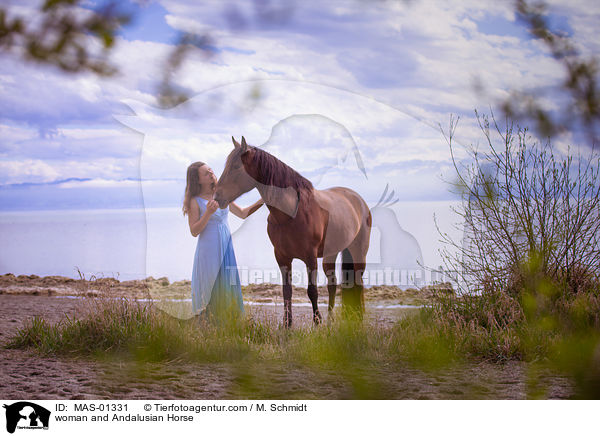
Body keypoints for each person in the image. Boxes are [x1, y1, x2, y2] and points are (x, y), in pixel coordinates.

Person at [182, 161, 263, 322]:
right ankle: (209, 325)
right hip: (208, 251)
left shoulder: (222, 194)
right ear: (198, 180)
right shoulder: (195, 201)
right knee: (211, 286)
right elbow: (194, 231)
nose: (211, 173)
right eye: (206, 173)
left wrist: (263, 200)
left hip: (226, 248)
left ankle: (230, 324)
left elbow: (242, 213)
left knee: (228, 285)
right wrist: (208, 213)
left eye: (210, 169)